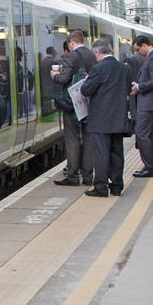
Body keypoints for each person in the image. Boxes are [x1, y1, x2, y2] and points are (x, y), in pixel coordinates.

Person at [80, 38, 132, 197]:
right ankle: (117, 186)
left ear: (97, 52)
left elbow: (86, 90)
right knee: (117, 153)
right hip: (119, 118)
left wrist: (87, 81)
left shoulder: (97, 69)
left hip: (101, 120)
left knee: (101, 154)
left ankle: (101, 187)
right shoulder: (125, 69)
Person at [51, 30, 97, 187]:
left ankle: (72, 176)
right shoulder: (92, 54)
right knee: (88, 139)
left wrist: (55, 75)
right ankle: (88, 176)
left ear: (71, 42)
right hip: (89, 103)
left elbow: (64, 78)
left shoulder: (71, 56)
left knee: (72, 140)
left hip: (73, 105)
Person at [130, 36, 153, 177]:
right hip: (151, 102)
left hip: (149, 103)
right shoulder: (152, 57)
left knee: (141, 133)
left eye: (138, 49)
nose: (137, 53)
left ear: (144, 45)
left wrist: (139, 86)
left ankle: (149, 166)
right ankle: (151, 167)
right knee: (150, 135)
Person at [125, 43, 145, 122]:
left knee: (133, 107)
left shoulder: (131, 59)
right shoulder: (144, 58)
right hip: (142, 85)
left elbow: (129, 73)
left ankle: (135, 124)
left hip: (133, 86)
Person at [38, 46, 58, 115]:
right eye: (55, 51)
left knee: (45, 107)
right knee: (52, 108)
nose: (56, 53)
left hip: (43, 88)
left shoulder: (41, 62)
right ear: (52, 52)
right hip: (52, 89)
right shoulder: (54, 62)